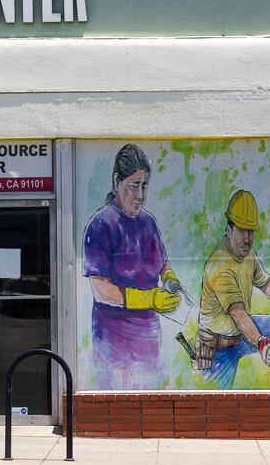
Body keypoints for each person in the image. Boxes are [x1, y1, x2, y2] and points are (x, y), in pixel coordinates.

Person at [82, 143, 182, 389]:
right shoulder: (100, 225)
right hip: (113, 339)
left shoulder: (149, 223)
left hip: (149, 336)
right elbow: (100, 290)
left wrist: (170, 278)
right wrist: (147, 299)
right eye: (133, 185)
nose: (139, 195)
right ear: (117, 181)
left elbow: (163, 263)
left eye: (144, 185)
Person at [196, 189, 270, 389]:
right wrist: (261, 343)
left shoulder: (247, 253)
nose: (248, 238)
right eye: (242, 230)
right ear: (229, 229)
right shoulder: (219, 266)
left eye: (251, 231)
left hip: (240, 336)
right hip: (218, 349)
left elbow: (265, 282)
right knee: (215, 406)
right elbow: (239, 313)